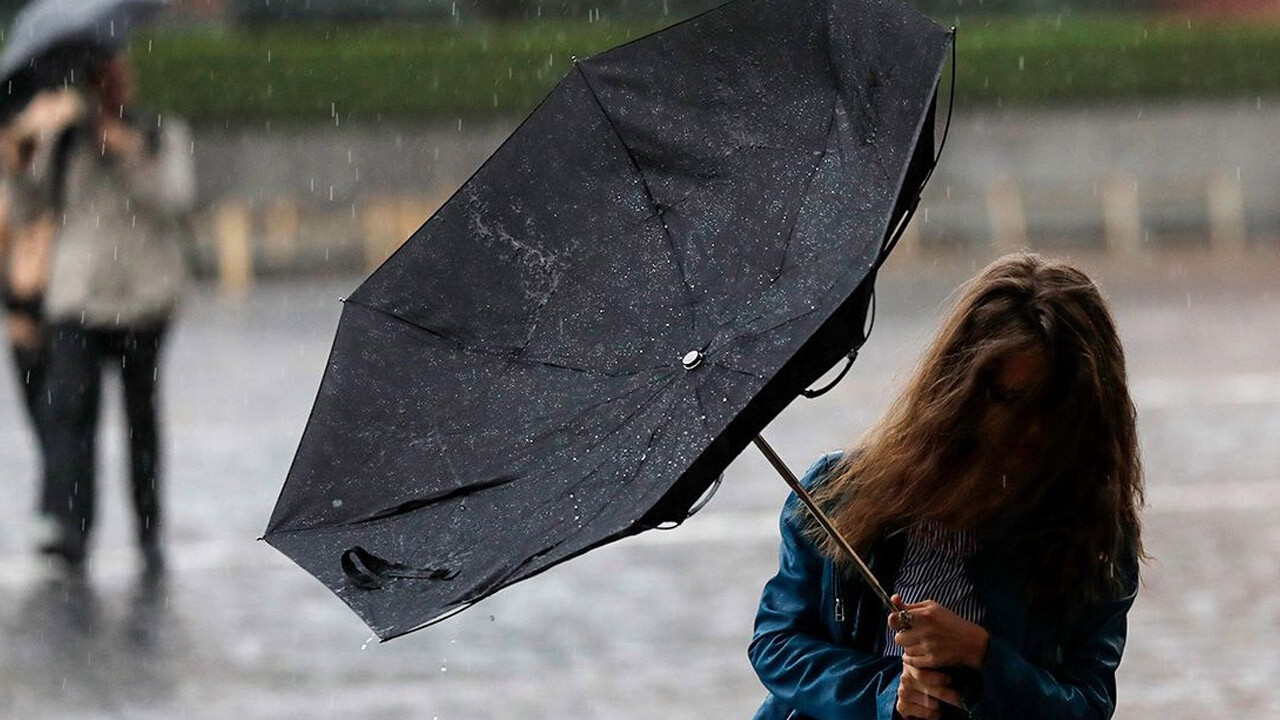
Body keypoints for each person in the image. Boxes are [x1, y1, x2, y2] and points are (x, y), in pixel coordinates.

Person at [748, 252, 1145, 720]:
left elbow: (1087, 706)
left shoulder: (1094, 539)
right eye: (1008, 400)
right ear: (960, 388)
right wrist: (886, 693)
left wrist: (982, 654)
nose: (1030, 430)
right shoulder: (839, 493)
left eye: (1051, 408)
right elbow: (777, 643)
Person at [35, 53, 195, 573]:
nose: (112, 86)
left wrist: (129, 151)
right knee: (70, 415)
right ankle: (70, 528)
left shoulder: (159, 132)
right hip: (78, 300)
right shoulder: (63, 139)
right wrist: (22, 149)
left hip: (142, 301)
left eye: (119, 75)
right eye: (102, 77)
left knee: (140, 420)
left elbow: (174, 197)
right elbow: (26, 201)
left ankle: (148, 528)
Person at [0, 89, 83, 547]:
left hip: (58, 302)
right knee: (43, 420)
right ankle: (57, 509)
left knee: (60, 416)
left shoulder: (62, 162)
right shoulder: (16, 186)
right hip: (21, 303)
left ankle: (59, 513)